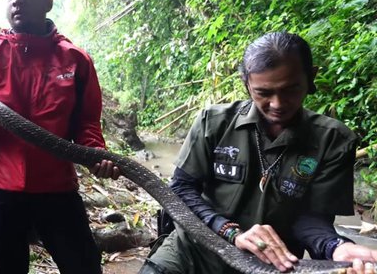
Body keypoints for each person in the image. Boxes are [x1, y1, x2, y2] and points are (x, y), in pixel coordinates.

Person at [137, 32, 377, 274]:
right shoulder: (213, 122)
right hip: (194, 250)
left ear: (311, 77)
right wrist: (231, 232)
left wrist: (335, 247)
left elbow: (312, 220)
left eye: (291, 89)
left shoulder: (333, 140)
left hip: (272, 264)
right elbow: (181, 190)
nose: (277, 104)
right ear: (246, 83)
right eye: (264, 93)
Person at [0, 0, 119, 274]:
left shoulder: (75, 60)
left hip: (56, 189)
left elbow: (87, 124)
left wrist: (97, 155)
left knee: (85, 267)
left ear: (48, 2)